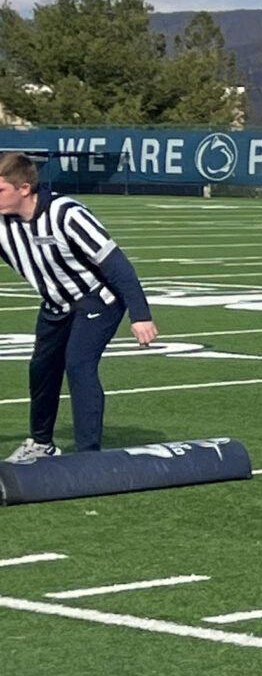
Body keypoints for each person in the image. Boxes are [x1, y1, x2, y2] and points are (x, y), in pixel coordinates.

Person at [0, 151, 159, 459]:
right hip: (55, 305)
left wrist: (141, 315)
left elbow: (117, 266)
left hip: (98, 299)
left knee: (78, 364)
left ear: (24, 188)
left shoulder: (66, 214)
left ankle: (89, 455)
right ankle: (41, 443)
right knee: (42, 369)